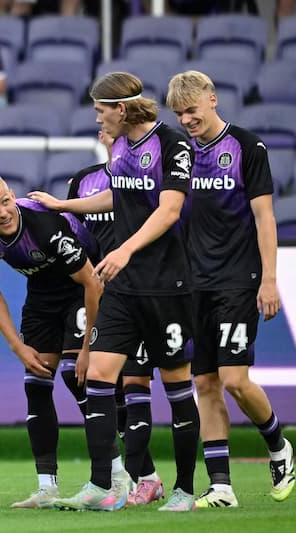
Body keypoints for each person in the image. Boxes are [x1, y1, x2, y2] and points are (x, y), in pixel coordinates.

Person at [30, 71, 200, 512]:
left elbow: (170, 210)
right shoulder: (121, 148)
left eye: (101, 111)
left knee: (178, 386)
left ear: (121, 109)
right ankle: (102, 485)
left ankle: (183, 488)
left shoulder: (172, 145)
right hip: (122, 289)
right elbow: (116, 196)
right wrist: (63, 204)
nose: (98, 120)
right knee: (100, 379)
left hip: (167, 287)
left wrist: (123, 249)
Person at [167, 70, 294, 507]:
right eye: (180, 113)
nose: (186, 119)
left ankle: (278, 446)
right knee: (205, 382)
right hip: (192, 284)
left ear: (213, 100)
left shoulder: (246, 147)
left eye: (192, 110)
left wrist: (271, 279)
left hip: (239, 280)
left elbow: (265, 218)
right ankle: (221, 485)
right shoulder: (178, 152)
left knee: (235, 379)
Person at [0, 172, 120, 508]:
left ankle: (115, 477)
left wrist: (87, 348)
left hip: (81, 289)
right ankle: (46, 487)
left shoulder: (44, 227)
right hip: (41, 298)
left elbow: (93, 283)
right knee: (36, 383)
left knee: (76, 376)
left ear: (12, 194)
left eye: (6, 201)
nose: (3, 213)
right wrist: (16, 346)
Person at [65, 133, 165, 506]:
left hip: (144, 288)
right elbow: (77, 240)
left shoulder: (150, 176)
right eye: (103, 122)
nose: (107, 130)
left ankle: (141, 479)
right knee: (78, 373)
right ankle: (137, 477)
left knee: (136, 382)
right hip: (99, 290)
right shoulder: (84, 180)